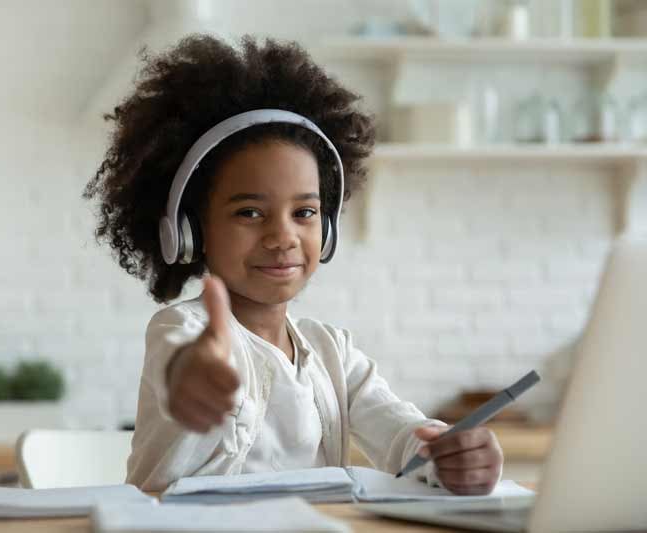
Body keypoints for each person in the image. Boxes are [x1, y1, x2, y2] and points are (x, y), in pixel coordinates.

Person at [83, 34, 503, 493]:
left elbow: (403, 434)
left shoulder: (333, 353)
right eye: (249, 213)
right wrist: (192, 377)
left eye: (304, 213)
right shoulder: (181, 333)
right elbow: (178, 371)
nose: (283, 236)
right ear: (190, 231)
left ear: (327, 228)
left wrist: (448, 454)